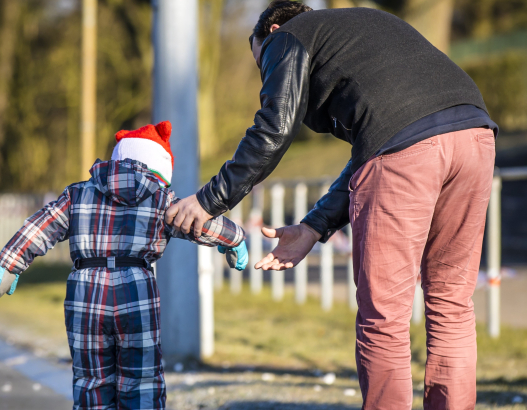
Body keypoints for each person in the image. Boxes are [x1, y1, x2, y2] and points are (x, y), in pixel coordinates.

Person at [166, 2, 498, 409]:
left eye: (262, 64)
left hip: (407, 150)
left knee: (385, 318)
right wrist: (313, 227)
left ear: (272, 31)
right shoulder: (359, 30)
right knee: (451, 306)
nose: (267, 75)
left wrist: (208, 200)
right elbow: (374, 149)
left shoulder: (286, 36)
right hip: (475, 134)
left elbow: (274, 127)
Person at [0, 121, 248, 410]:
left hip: (85, 291)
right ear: (161, 167)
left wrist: (9, 264)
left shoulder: (77, 194)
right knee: (141, 377)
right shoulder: (161, 199)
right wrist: (233, 238)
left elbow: (41, 225)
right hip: (137, 290)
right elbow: (196, 219)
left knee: (91, 378)